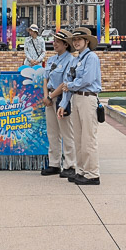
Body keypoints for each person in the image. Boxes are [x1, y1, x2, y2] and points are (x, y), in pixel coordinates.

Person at [59, 27, 102, 185]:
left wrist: (69, 85)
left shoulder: (91, 57)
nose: (76, 42)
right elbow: (70, 81)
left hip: (87, 98)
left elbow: (87, 80)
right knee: (78, 137)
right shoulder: (76, 59)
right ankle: (82, 170)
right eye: (74, 40)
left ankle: (92, 173)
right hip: (77, 98)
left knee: (88, 138)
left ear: (87, 41)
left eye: (79, 40)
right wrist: (64, 102)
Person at [41, 30, 76, 177]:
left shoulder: (70, 60)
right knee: (52, 133)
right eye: (54, 41)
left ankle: (70, 165)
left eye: (57, 41)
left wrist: (50, 96)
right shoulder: (51, 59)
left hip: (62, 98)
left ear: (65, 44)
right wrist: (46, 96)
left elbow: (65, 83)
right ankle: (54, 164)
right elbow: (45, 78)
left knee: (66, 133)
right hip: (49, 98)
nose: (53, 43)